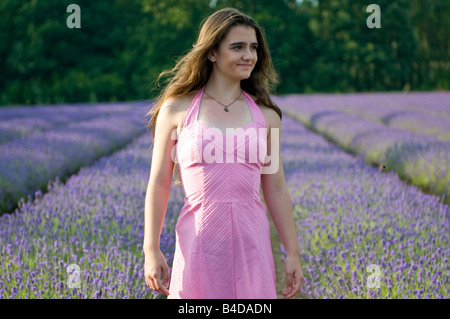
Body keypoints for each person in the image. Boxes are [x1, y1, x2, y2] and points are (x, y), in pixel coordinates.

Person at [143, 7, 304, 299]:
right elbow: (159, 182)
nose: (249, 55)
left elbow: (277, 189)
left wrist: (292, 252)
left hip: (251, 247)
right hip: (198, 246)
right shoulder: (176, 109)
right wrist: (151, 248)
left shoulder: (268, 116)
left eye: (254, 47)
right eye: (238, 47)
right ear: (212, 53)